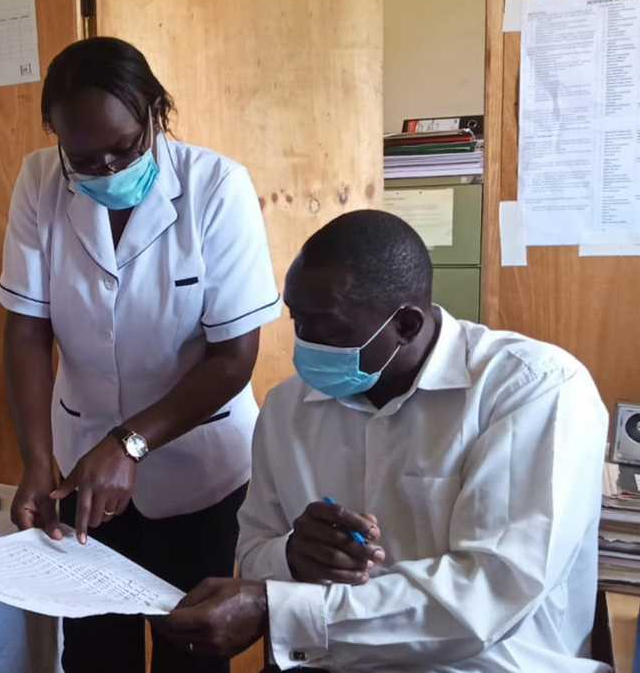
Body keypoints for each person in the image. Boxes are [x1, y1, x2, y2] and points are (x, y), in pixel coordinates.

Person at [152, 210, 610, 672]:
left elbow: (486, 597)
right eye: (297, 321)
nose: (305, 343)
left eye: (326, 327)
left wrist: (280, 609)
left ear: (406, 324)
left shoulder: (533, 390)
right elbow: (253, 556)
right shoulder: (287, 407)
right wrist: (292, 556)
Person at [0, 37, 281, 673]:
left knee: (190, 649)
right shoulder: (40, 182)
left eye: (124, 149)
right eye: (82, 158)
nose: (104, 170)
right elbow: (26, 331)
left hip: (201, 468)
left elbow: (233, 357)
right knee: (95, 650)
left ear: (156, 112)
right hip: (82, 468)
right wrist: (37, 462)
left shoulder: (216, 187)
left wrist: (129, 444)